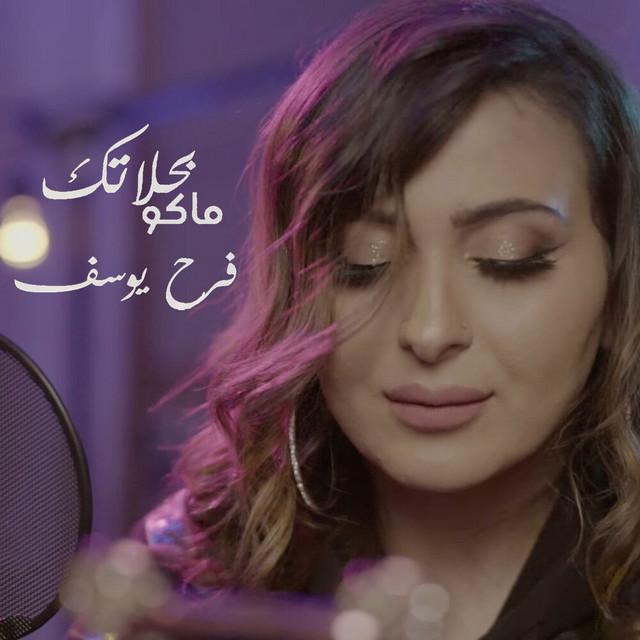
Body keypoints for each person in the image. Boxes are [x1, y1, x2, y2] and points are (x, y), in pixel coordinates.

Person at [67, 0, 640, 638]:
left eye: (507, 259)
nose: (428, 331)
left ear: (618, 286)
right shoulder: (173, 591)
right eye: (361, 262)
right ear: (294, 292)